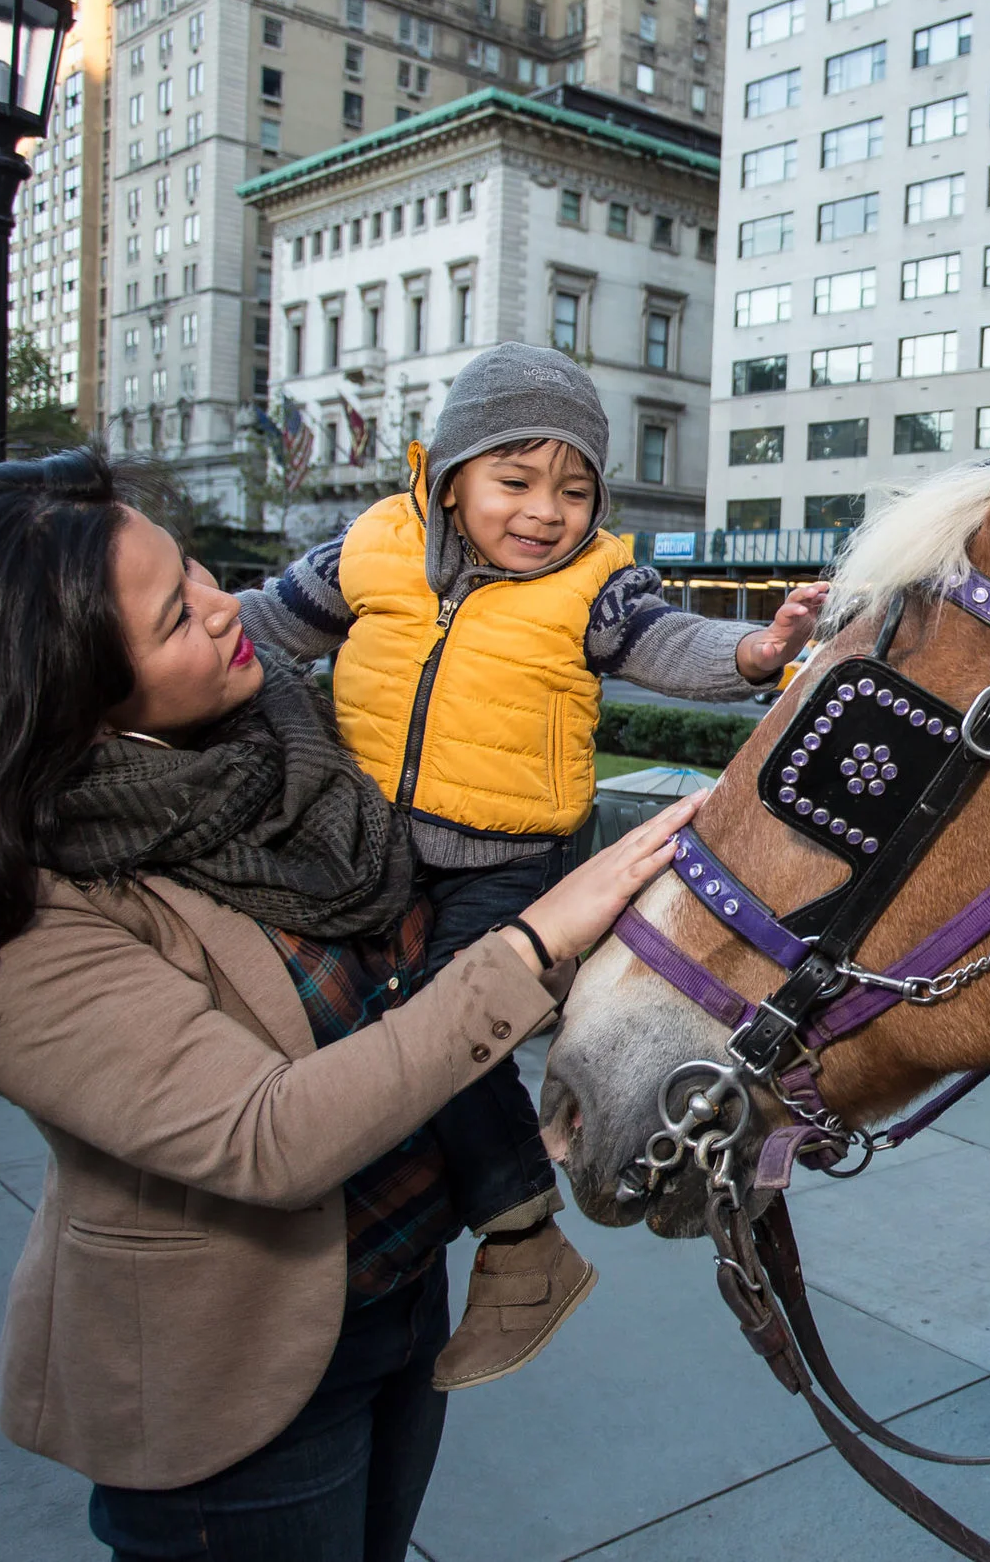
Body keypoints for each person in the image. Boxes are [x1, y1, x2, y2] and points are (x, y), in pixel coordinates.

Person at [0, 451, 701, 1560]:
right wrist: (539, 939)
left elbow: (405, 972)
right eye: (174, 618)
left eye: (198, 570)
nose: (224, 608)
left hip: (399, 1294)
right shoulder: (12, 912)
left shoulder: (282, 744)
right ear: (61, 687)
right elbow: (270, 1135)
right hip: (236, 1371)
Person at [239, 343, 826, 1388]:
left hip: (513, 862)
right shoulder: (370, 548)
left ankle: (523, 1242)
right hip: (369, 844)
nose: (545, 512)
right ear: (447, 474)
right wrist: (150, 628)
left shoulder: (594, 580)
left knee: (447, 1026)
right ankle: (390, 1221)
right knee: (346, 1025)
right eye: (515, 482)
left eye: (573, 490)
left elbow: (665, 639)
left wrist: (751, 653)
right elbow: (260, 625)